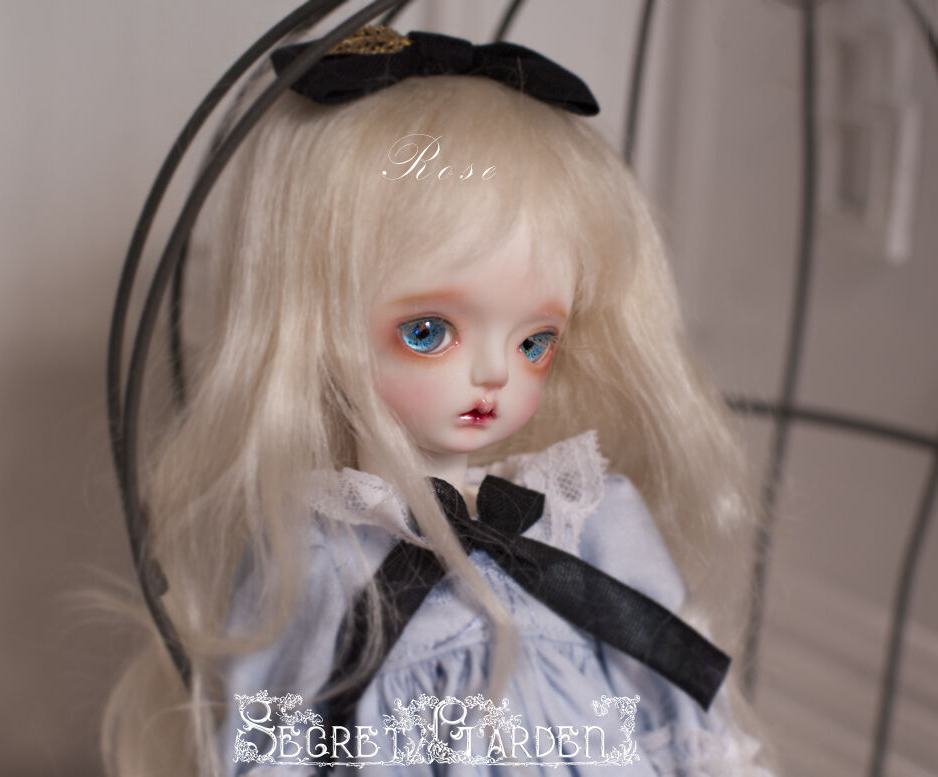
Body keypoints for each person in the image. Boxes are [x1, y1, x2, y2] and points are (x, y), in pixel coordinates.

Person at [102, 24, 776, 777]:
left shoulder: (582, 516)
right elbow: (278, 728)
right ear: (314, 330)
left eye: (534, 342)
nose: (494, 373)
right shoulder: (321, 550)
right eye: (428, 332)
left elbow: (668, 682)